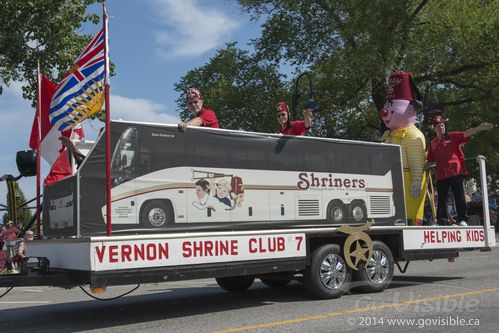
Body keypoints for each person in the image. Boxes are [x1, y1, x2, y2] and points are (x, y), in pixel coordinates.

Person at [425, 116, 493, 226]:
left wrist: (479, 128)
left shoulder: (452, 136)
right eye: (438, 126)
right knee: (442, 199)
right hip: (441, 174)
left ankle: (463, 220)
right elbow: (430, 161)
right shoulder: (433, 143)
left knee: (459, 196)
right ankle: (442, 221)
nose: (441, 127)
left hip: (455, 172)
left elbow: (466, 133)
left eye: (442, 125)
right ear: (434, 128)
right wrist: (420, 168)